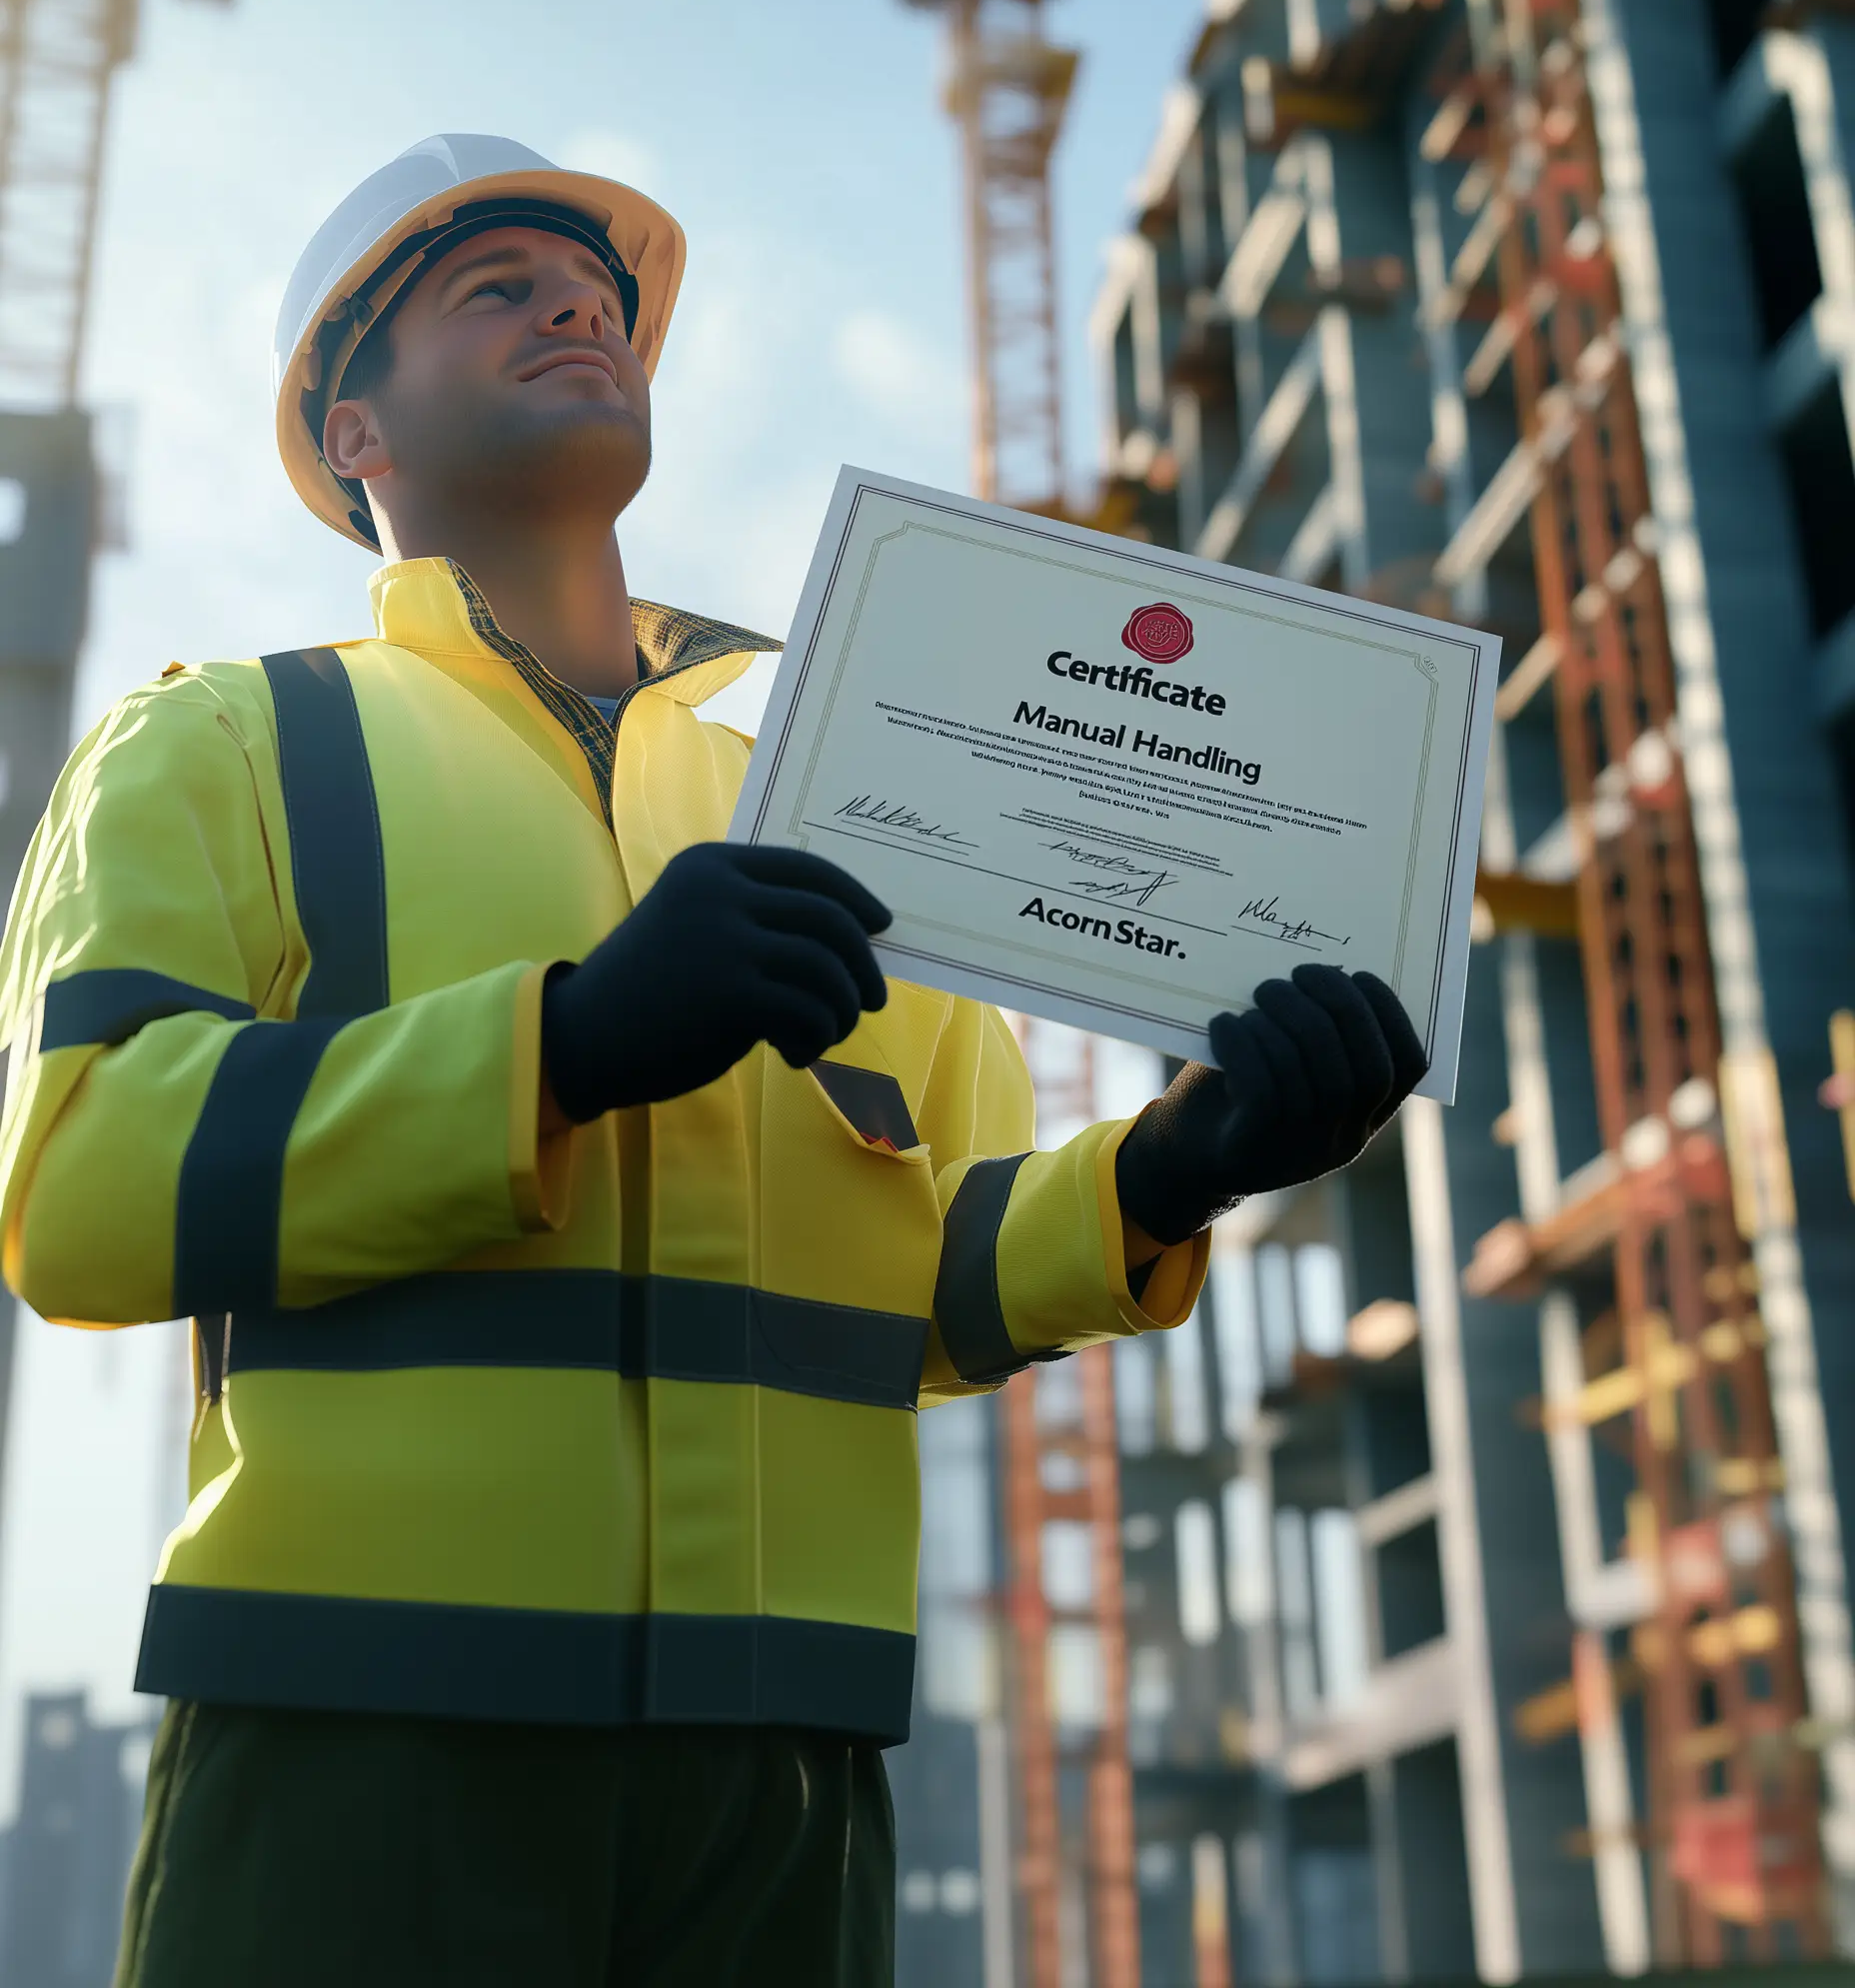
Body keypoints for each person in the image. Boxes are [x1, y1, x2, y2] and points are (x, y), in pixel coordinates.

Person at [0, 135, 1425, 1988]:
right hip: (359, 1722)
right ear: (354, 430)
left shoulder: (834, 799)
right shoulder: (228, 744)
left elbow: (939, 1281)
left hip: (787, 1771)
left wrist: (1174, 1170)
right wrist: (565, 1044)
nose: (574, 301)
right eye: (494, 285)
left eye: (592, 288)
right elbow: (83, 1188)